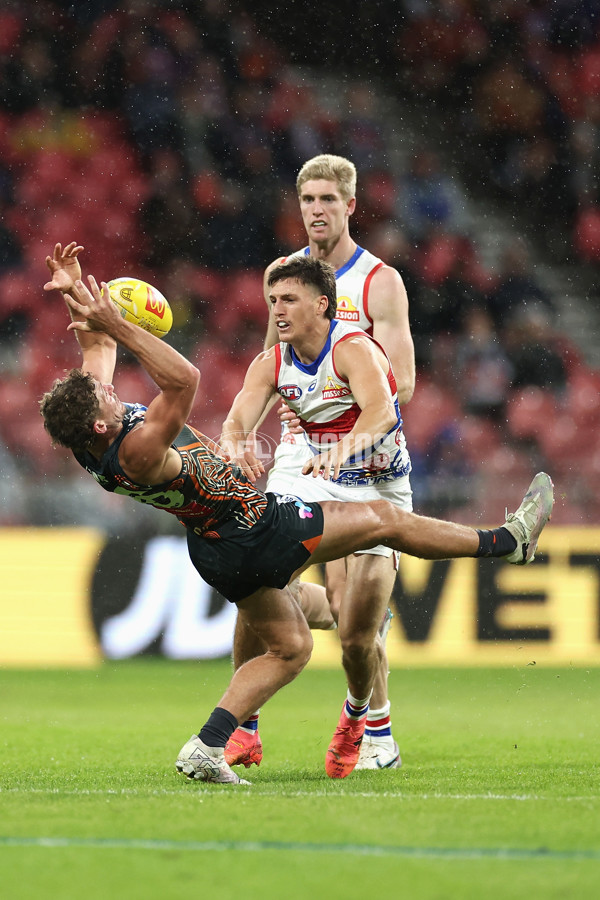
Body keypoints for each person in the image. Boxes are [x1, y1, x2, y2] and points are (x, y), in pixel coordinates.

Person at [40, 242, 554, 785]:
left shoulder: (87, 437)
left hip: (214, 548)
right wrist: (122, 328)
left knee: (292, 647)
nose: (110, 390)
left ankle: (208, 745)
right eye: (106, 398)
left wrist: (77, 293)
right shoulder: (137, 450)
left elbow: (95, 350)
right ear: (99, 425)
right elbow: (184, 379)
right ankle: (508, 542)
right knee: (383, 519)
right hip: (256, 527)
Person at [226, 152, 416, 772]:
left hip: (368, 449)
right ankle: (243, 724)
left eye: (328, 201)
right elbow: (269, 364)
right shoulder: (282, 275)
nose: (315, 212)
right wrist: (276, 418)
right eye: (307, 200)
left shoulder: (378, 281)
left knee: (355, 623)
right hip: (301, 450)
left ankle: (374, 725)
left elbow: (402, 385)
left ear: (350, 206)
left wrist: (343, 410)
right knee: (254, 575)